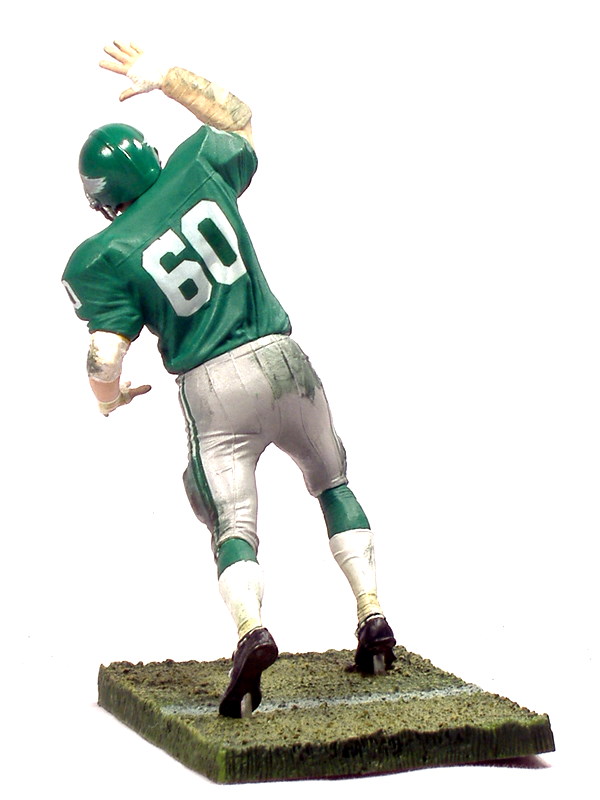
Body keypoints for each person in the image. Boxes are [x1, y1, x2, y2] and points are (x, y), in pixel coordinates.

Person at [63, 41, 396, 718]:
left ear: (103, 200)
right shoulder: (198, 166)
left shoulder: (105, 254)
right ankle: (372, 613)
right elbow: (239, 117)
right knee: (334, 483)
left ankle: (252, 630)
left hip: (214, 386)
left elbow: (104, 356)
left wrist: (109, 399)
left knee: (231, 523)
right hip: (286, 358)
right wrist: (166, 77)